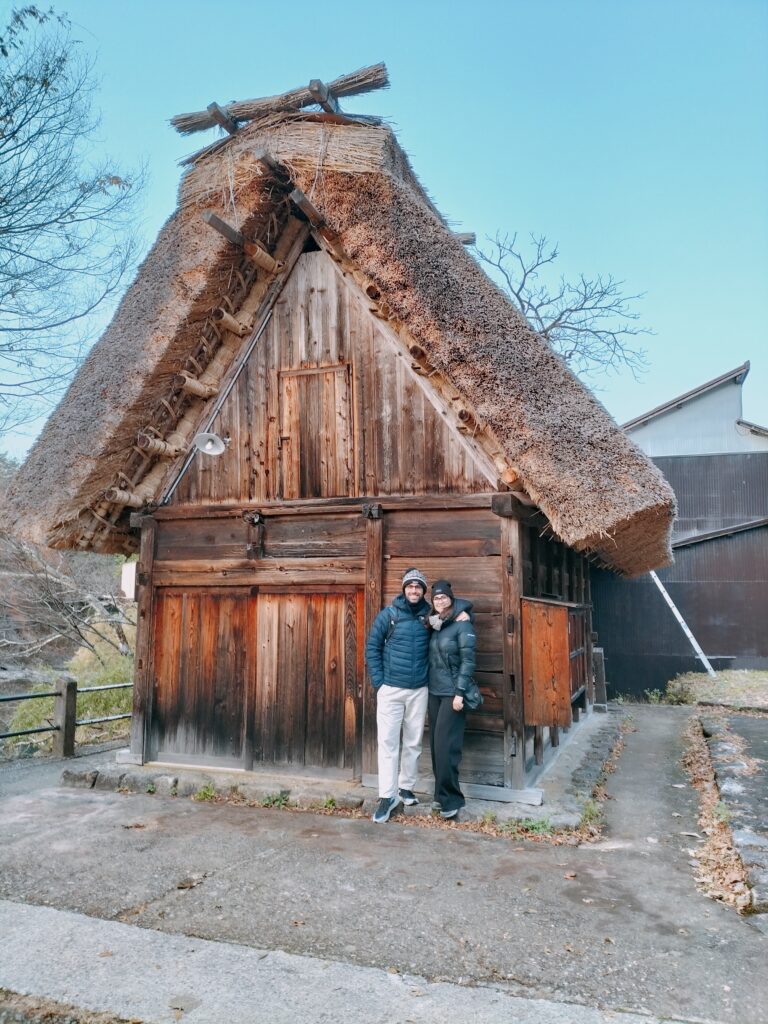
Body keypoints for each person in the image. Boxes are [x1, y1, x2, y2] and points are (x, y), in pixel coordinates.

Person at [365, 568, 432, 823]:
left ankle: (406, 787)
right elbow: (372, 647)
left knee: (413, 741)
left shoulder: (430, 615)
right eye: (410, 586)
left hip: (419, 689)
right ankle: (387, 795)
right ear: (404, 589)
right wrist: (380, 683)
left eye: (418, 587)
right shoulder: (389, 614)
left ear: (423, 591)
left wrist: (461, 616)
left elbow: (459, 608)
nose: (414, 590)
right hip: (391, 689)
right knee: (388, 743)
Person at [427, 579, 476, 820]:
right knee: (436, 747)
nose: (440, 601)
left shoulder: (462, 624)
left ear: (451, 599)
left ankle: (452, 798)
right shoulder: (435, 624)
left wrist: (459, 693)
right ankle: (440, 795)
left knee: (447, 747)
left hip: (452, 693)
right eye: (436, 598)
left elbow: (468, 661)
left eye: (444, 597)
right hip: (434, 691)